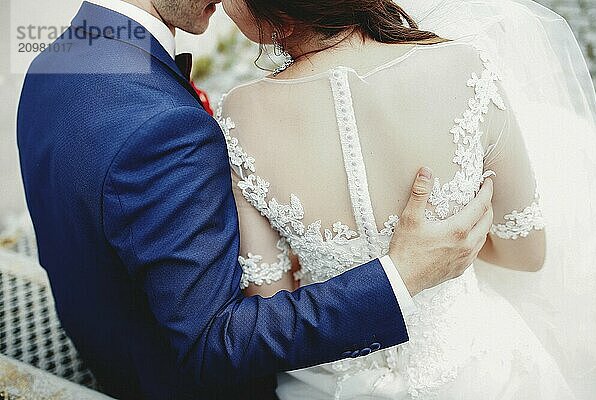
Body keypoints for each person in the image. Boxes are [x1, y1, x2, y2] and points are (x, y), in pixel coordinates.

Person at [15, 0, 494, 398]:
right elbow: (211, 342)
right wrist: (401, 275)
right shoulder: (163, 123)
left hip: (111, 349)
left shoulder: (57, 58)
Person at [217, 0, 596, 398]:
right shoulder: (464, 68)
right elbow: (526, 252)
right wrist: (449, 243)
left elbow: (271, 301)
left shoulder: (239, 112)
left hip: (329, 380)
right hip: (470, 373)